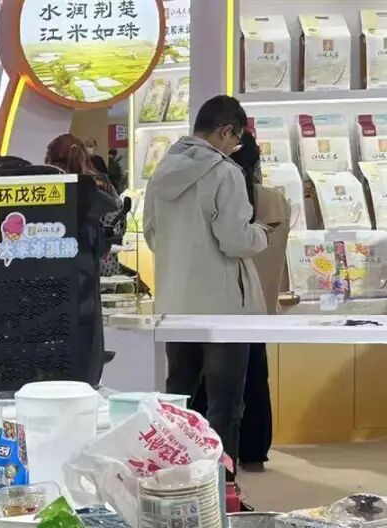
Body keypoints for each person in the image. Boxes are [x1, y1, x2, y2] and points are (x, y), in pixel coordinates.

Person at [144, 95, 269, 475]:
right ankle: (221, 485)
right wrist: (261, 234)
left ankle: (175, 478)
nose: (235, 149)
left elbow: (152, 234)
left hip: (175, 304)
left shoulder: (162, 170)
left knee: (179, 399)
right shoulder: (224, 173)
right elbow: (235, 240)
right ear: (225, 131)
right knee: (224, 406)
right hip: (222, 307)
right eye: (236, 141)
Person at [231, 130, 291, 471]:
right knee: (256, 375)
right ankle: (255, 450)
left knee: (217, 381)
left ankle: (222, 452)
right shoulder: (277, 202)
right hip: (263, 302)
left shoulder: (224, 199)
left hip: (226, 301)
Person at [45, 133, 126, 277]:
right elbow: (118, 225)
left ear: (50, 161)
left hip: (59, 274)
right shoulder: (103, 185)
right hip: (103, 271)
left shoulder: (48, 189)